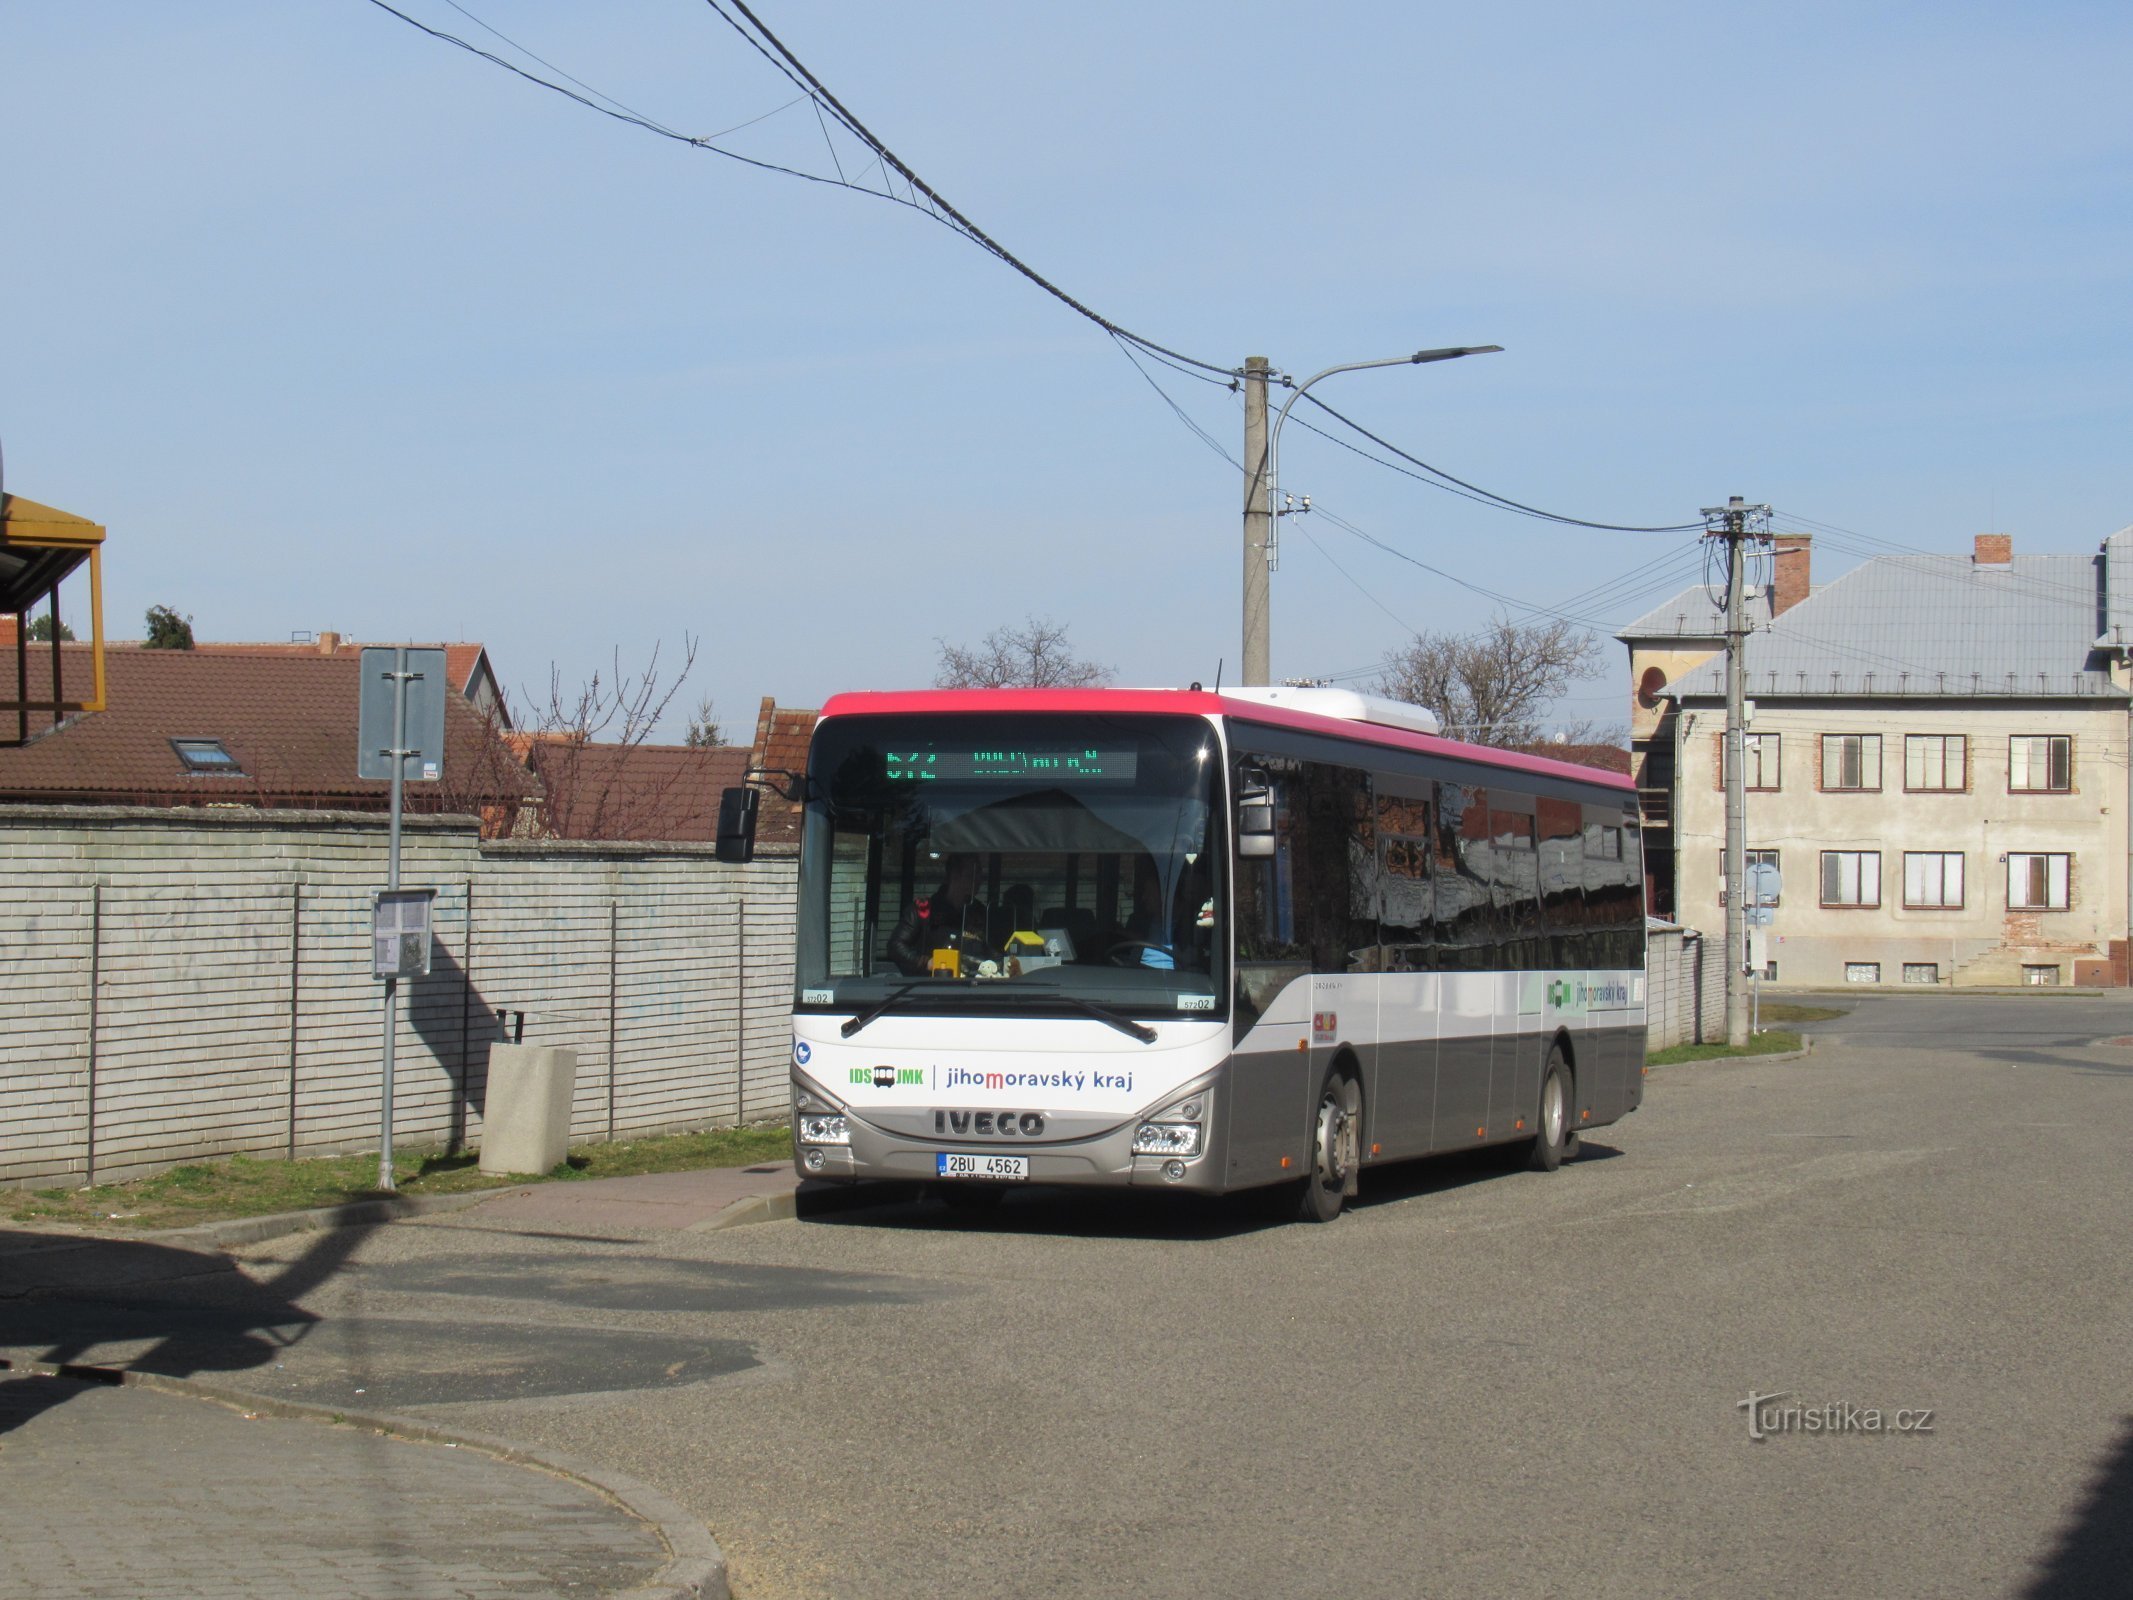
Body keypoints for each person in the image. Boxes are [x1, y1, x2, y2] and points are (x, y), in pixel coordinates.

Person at [888, 854, 988, 976]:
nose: (978, 881)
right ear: (954, 875)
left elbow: (993, 950)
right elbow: (895, 946)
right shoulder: (923, 910)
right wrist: (925, 962)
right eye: (971, 875)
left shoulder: (980, 913)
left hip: (975, 987)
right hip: (929, 988)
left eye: (979, 875)